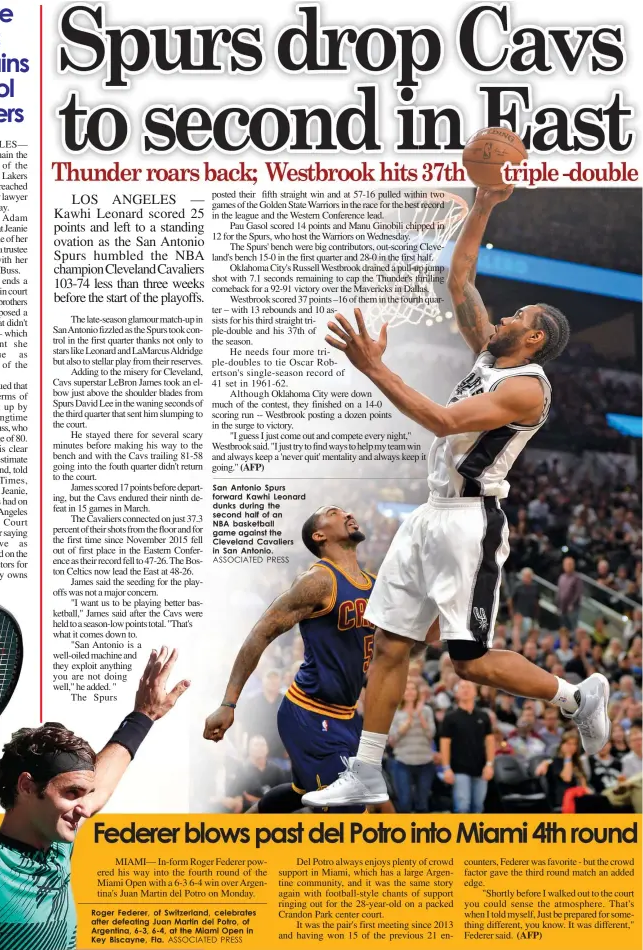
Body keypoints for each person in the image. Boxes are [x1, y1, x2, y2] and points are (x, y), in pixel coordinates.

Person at [302, 185, 609, 809]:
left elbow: (443, 421)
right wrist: (487, 202)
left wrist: (375, 369)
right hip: (428, 515)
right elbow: (460, 277)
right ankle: (366, 770)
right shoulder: (490, 355)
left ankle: (577, 695)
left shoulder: (529, 389)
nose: (503, 318)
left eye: (517, 318)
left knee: (466, 662)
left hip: (471, 520)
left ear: (534, 341)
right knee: (389, 643)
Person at [0, 647, 189, 950]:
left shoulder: (60, 847)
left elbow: (98, 787)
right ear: (26, 786)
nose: (84, 808)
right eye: (71, 793)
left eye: (84, 795)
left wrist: (145, 715)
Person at [203, 507, 378, 813]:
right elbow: (261, 633)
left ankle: (245, 824)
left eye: (348, 510)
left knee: (302, 791)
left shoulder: (374, 584)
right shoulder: (319, 581)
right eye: (335, 513)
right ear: (319, 535)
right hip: (310, 713)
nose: (349, 513)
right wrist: (228, 704)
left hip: (347, 717)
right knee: (348, 807)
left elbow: (400, 649)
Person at [438, 682, 494, 814]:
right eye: (462, 687)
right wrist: (446, 768)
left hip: (480, 768)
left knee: (478, 807)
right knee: (462, 806)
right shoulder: (450, 717)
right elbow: (445, 744)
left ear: (475, 692)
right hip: (459, 769)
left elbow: (490, 742)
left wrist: (490, 764)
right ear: (457, 693)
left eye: (469, 687)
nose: (465, 690)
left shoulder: (483, 716)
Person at [387, 681, 436, 813]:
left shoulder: (426, 711)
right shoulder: (395, 712)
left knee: (422, 802)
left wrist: (420, 716)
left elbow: (431, 734)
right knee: (404, 802)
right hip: (403, 761)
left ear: (417, 692)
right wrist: (408, 721)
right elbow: (392, 739)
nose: (409, 692)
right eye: (406, 689)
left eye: (412, 689)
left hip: (425, 761)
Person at [222, 735, 289, 814]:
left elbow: (284, 794)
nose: (260, 748)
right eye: (256, 745)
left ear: (267, 749)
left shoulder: (276, 770)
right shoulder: (241, 770)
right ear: (249, 749)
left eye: (263, 745)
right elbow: (236, 796)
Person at [556, 556, 584, 631]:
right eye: (566, 564)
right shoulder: (561, 577)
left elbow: (578, 592)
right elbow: (559, 592)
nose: (567, 566)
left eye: (569, 564)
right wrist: (557, 604)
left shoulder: (577, 578)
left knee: (573, 628)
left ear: (573, 565)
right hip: (562, 607)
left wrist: (572, 604)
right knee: (563, 628)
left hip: (573, 608)